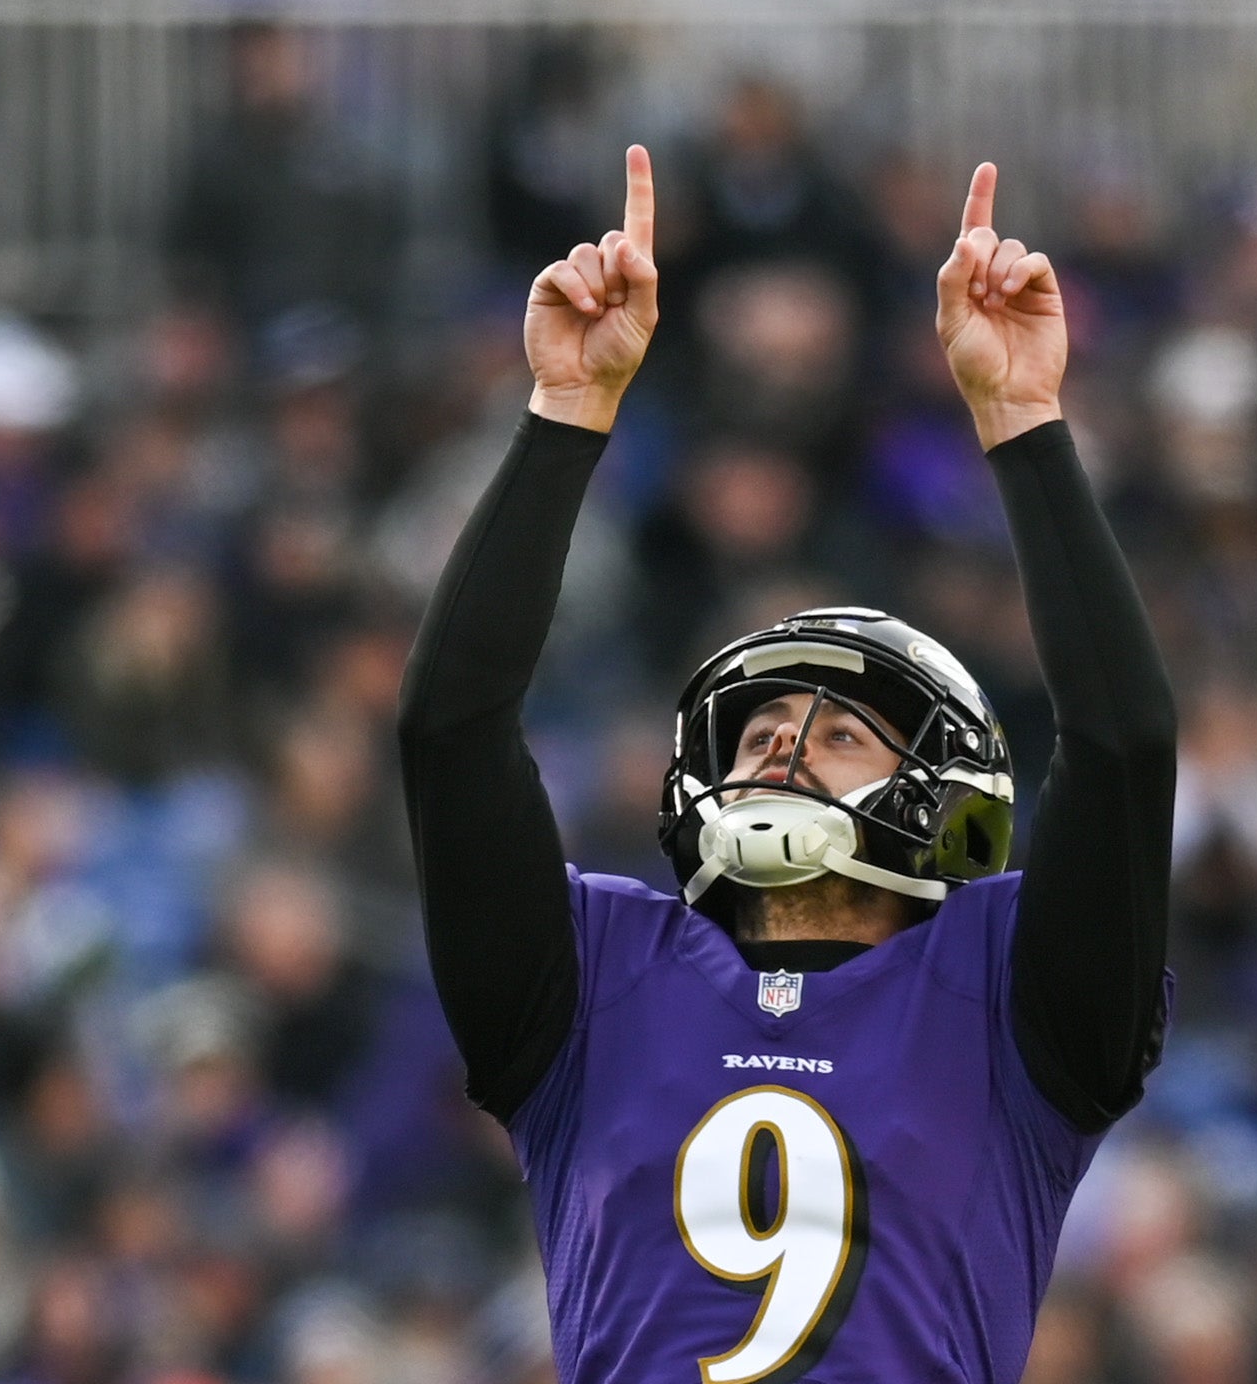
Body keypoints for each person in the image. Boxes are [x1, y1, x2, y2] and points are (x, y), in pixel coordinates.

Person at [397, 146, 1176, 1381]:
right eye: (758, 731)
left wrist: (1022, 424)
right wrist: (565, 417)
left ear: (948, 799)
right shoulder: (595, 974)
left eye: (837, 732)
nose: (779, 749)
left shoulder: (1008, 986)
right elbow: (451, 735)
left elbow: (1123, 747)